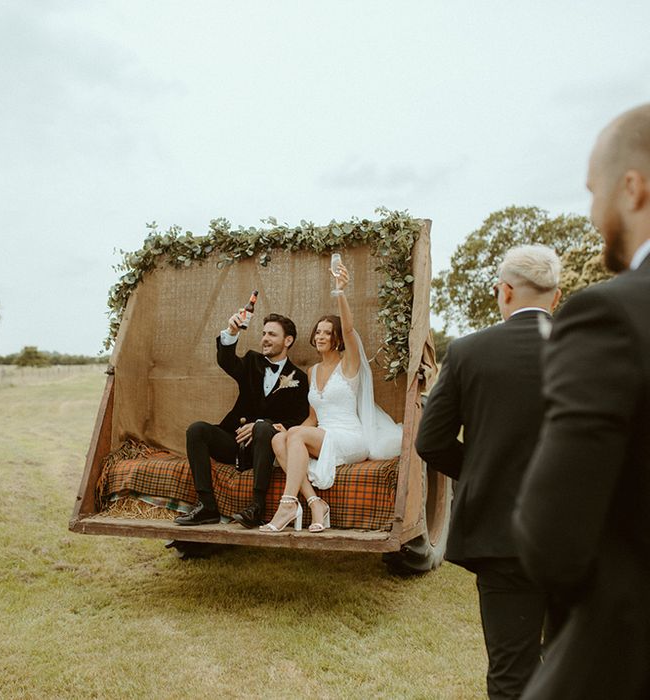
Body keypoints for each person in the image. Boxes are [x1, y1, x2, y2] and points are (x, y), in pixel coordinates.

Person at [513, 104, 650, 699]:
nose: (593, 216)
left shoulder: (613, 314)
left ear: (633, 187)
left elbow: (552, 537)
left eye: (594, 193)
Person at [416, 245, 562, 699]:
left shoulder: (468, 352)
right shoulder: (590, 348)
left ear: (504, 291)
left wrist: (479, 470)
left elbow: (430, 442)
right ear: (556, 297)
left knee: (510, 672)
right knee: (578, 669)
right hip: (582, 533)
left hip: (503, 536)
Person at [260, 261, 402, 533]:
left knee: (296, 437)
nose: (321, 335)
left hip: (350, 437)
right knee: (279, 439)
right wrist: (290, 430)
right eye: (318, 331)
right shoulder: (312, 371)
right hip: (322, 433)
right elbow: (313, 418)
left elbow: (350, 330)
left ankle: (289, 504)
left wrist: (340, 293)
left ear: (337, 339)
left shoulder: (349, 364)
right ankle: (315, 503)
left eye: (328, 332)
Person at [175, 312, 309, 527]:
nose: (265, 338)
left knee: (264, 429)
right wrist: (232, 332)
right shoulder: (251, 361)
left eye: (272, 334)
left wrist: (260, 425)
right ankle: (206, 506)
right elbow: (226, 360)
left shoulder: (300, 378)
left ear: (288, 340)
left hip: (263, 448)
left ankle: (257, 507)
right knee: (196, 430)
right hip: (233, 440)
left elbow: (298, 418)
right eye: (264, 333)